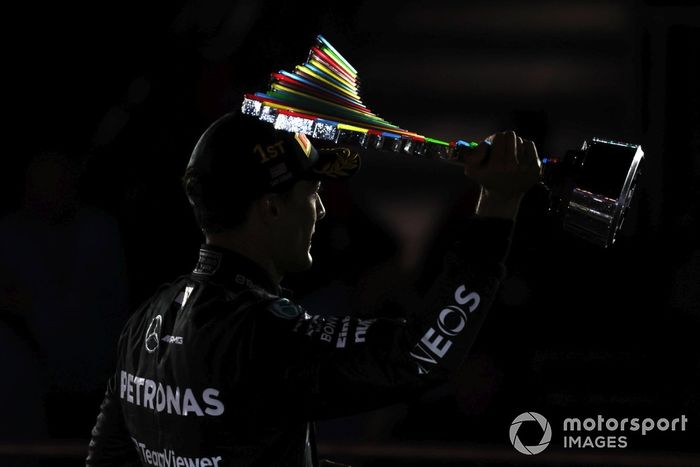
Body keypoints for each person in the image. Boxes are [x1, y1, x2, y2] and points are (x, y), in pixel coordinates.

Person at [86, 110, 541, 467]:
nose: (321, 212)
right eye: (311, 194)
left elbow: (107, 461)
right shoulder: (262, 336)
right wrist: (499, 206)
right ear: (272, 209)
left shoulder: (143, 321)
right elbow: (421, 355)